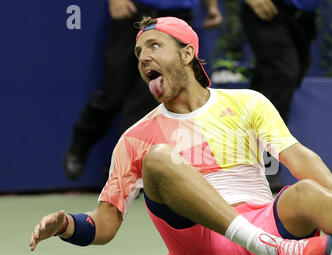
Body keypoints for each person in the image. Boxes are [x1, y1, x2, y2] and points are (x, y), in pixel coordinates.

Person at [30, 16, 332, 255]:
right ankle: (271, 247)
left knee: (304, 192)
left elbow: (298, 158)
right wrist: (67, 224)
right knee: (159, 158)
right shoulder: (136, 137)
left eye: (154, 45)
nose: (143, 56)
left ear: (187, 54)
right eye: (139, 51)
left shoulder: (247, 103)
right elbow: (105, 224)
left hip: (271, 240)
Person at [64, 0, 223, 181]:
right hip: (133, 14)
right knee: (112, 93)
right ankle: (80, 145)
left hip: (177, 20)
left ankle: (123, 172)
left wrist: (212, 7)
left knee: (144, 101)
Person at [240, 0, 319, 192]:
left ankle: (247, 162)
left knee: (274, 84)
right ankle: (264, 167)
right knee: (281, 77)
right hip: (268, 9)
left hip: (302, 17)